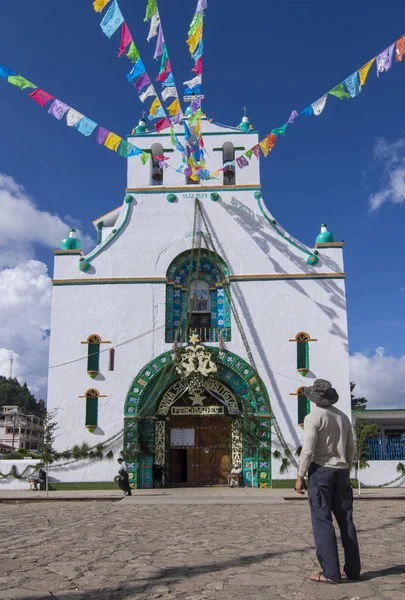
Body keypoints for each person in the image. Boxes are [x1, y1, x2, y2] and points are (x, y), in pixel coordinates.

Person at [294, 379, 361, 585]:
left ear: (313, 398)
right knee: (346, 521)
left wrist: (300, 475)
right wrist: (346, 469)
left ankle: (330, 572)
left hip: (321, 472)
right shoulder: (342, 417)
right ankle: (353, 570)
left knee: (322, 522)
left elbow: (308, 449)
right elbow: (350, 448)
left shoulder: (313, 417)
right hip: (341, 472)